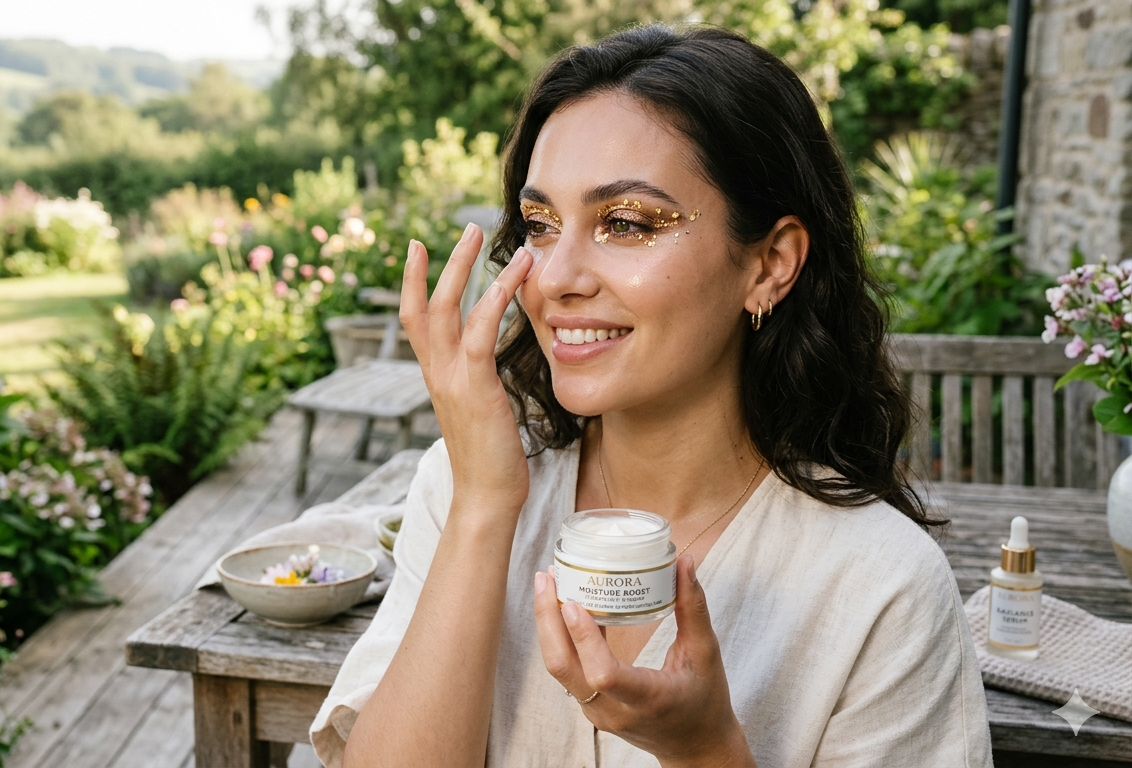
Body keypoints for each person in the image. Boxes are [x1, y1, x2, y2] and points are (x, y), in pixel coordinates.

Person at [310, 24, 993, 768]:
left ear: (770, 264)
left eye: (626, 223)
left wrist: (705, 752)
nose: (558, 276)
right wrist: (482, 507)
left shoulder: (879, 587)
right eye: (539, 225)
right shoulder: (463, 484)